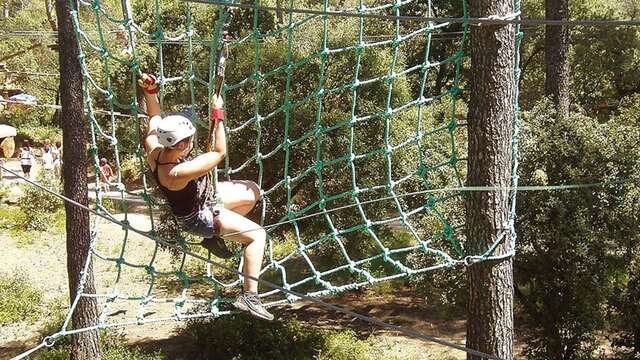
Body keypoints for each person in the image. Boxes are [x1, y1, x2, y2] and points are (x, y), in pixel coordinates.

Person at [139, 74, 273, 321]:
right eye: (189, 141)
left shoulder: (154, 149)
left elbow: (153, 118)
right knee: (257, 236)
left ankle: (219, 234)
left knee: (252, 191)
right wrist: (217, 114)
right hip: (199, 217)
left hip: (202, 198)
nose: (192, 144)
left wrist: (151, 92)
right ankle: (249, 296)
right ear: (180, 145)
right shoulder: (177, 172)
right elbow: (220, 152)